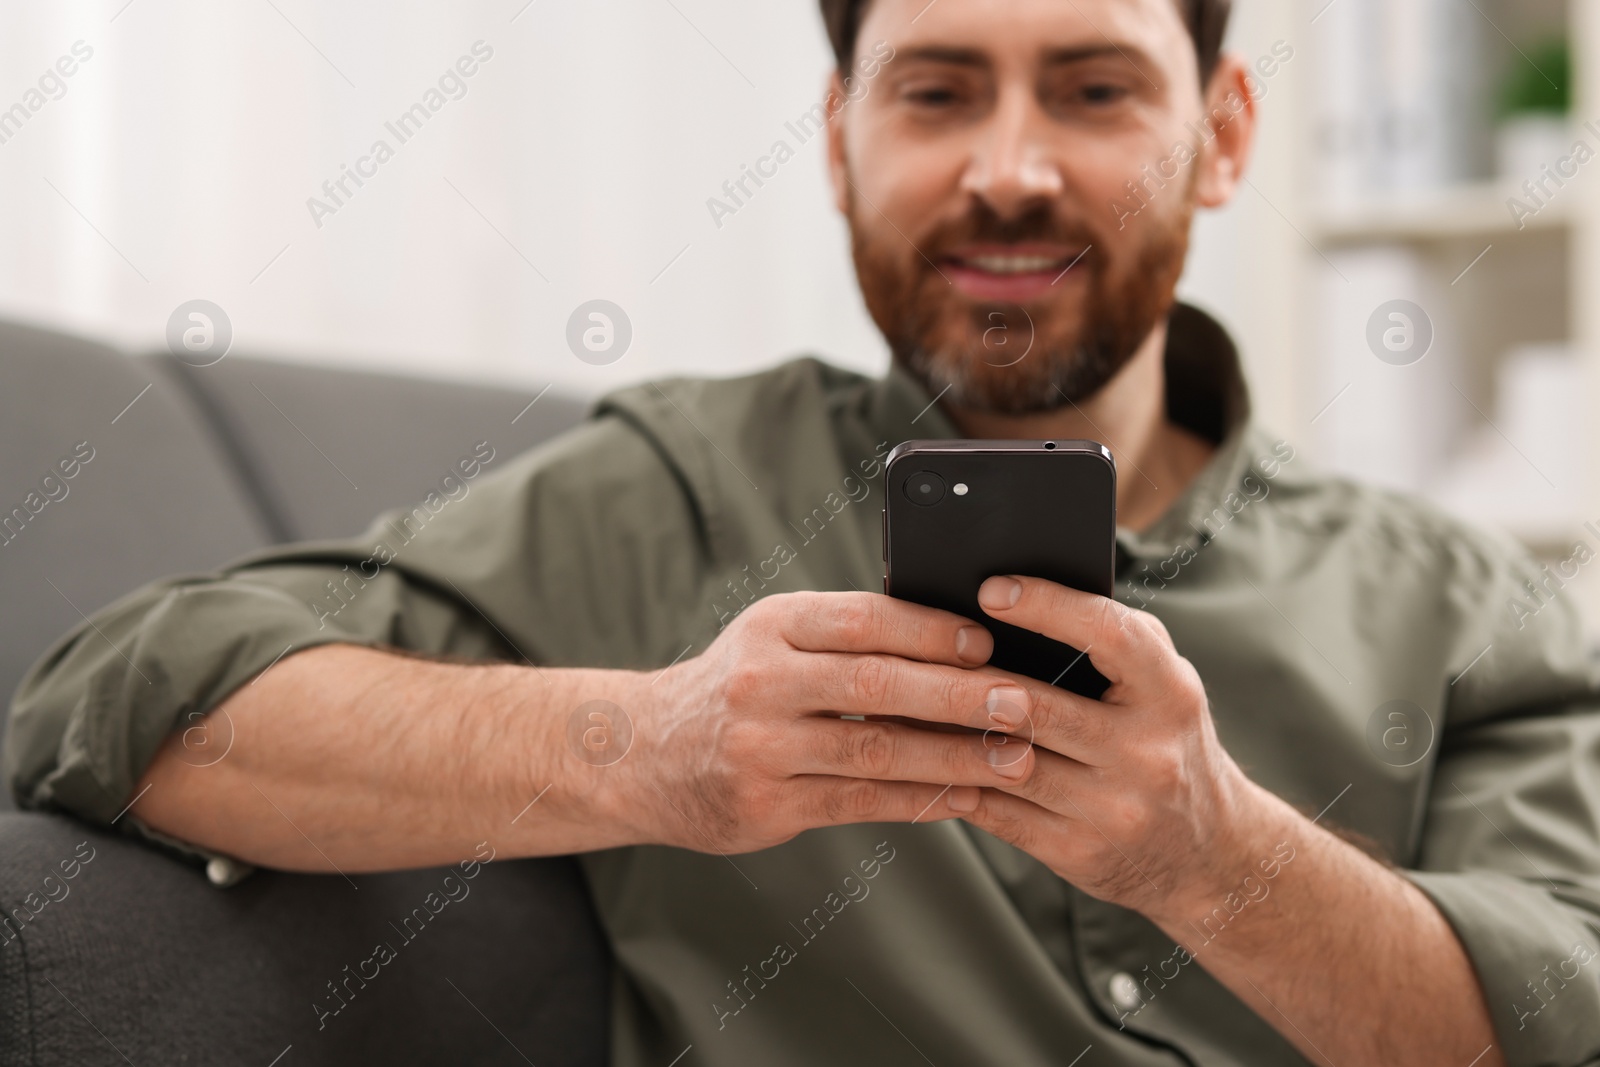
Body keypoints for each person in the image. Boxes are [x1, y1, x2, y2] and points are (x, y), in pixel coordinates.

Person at [8, 0, 1600, 1063]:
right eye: (937, 92)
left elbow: (1566, 1013)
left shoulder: (1468, 610)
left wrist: (1216, 861)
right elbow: (123, 695)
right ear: (839, 140)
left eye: (1097, 88)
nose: (1010, 169)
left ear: (1228, 132)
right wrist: (645, 747)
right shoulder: (676, 491)